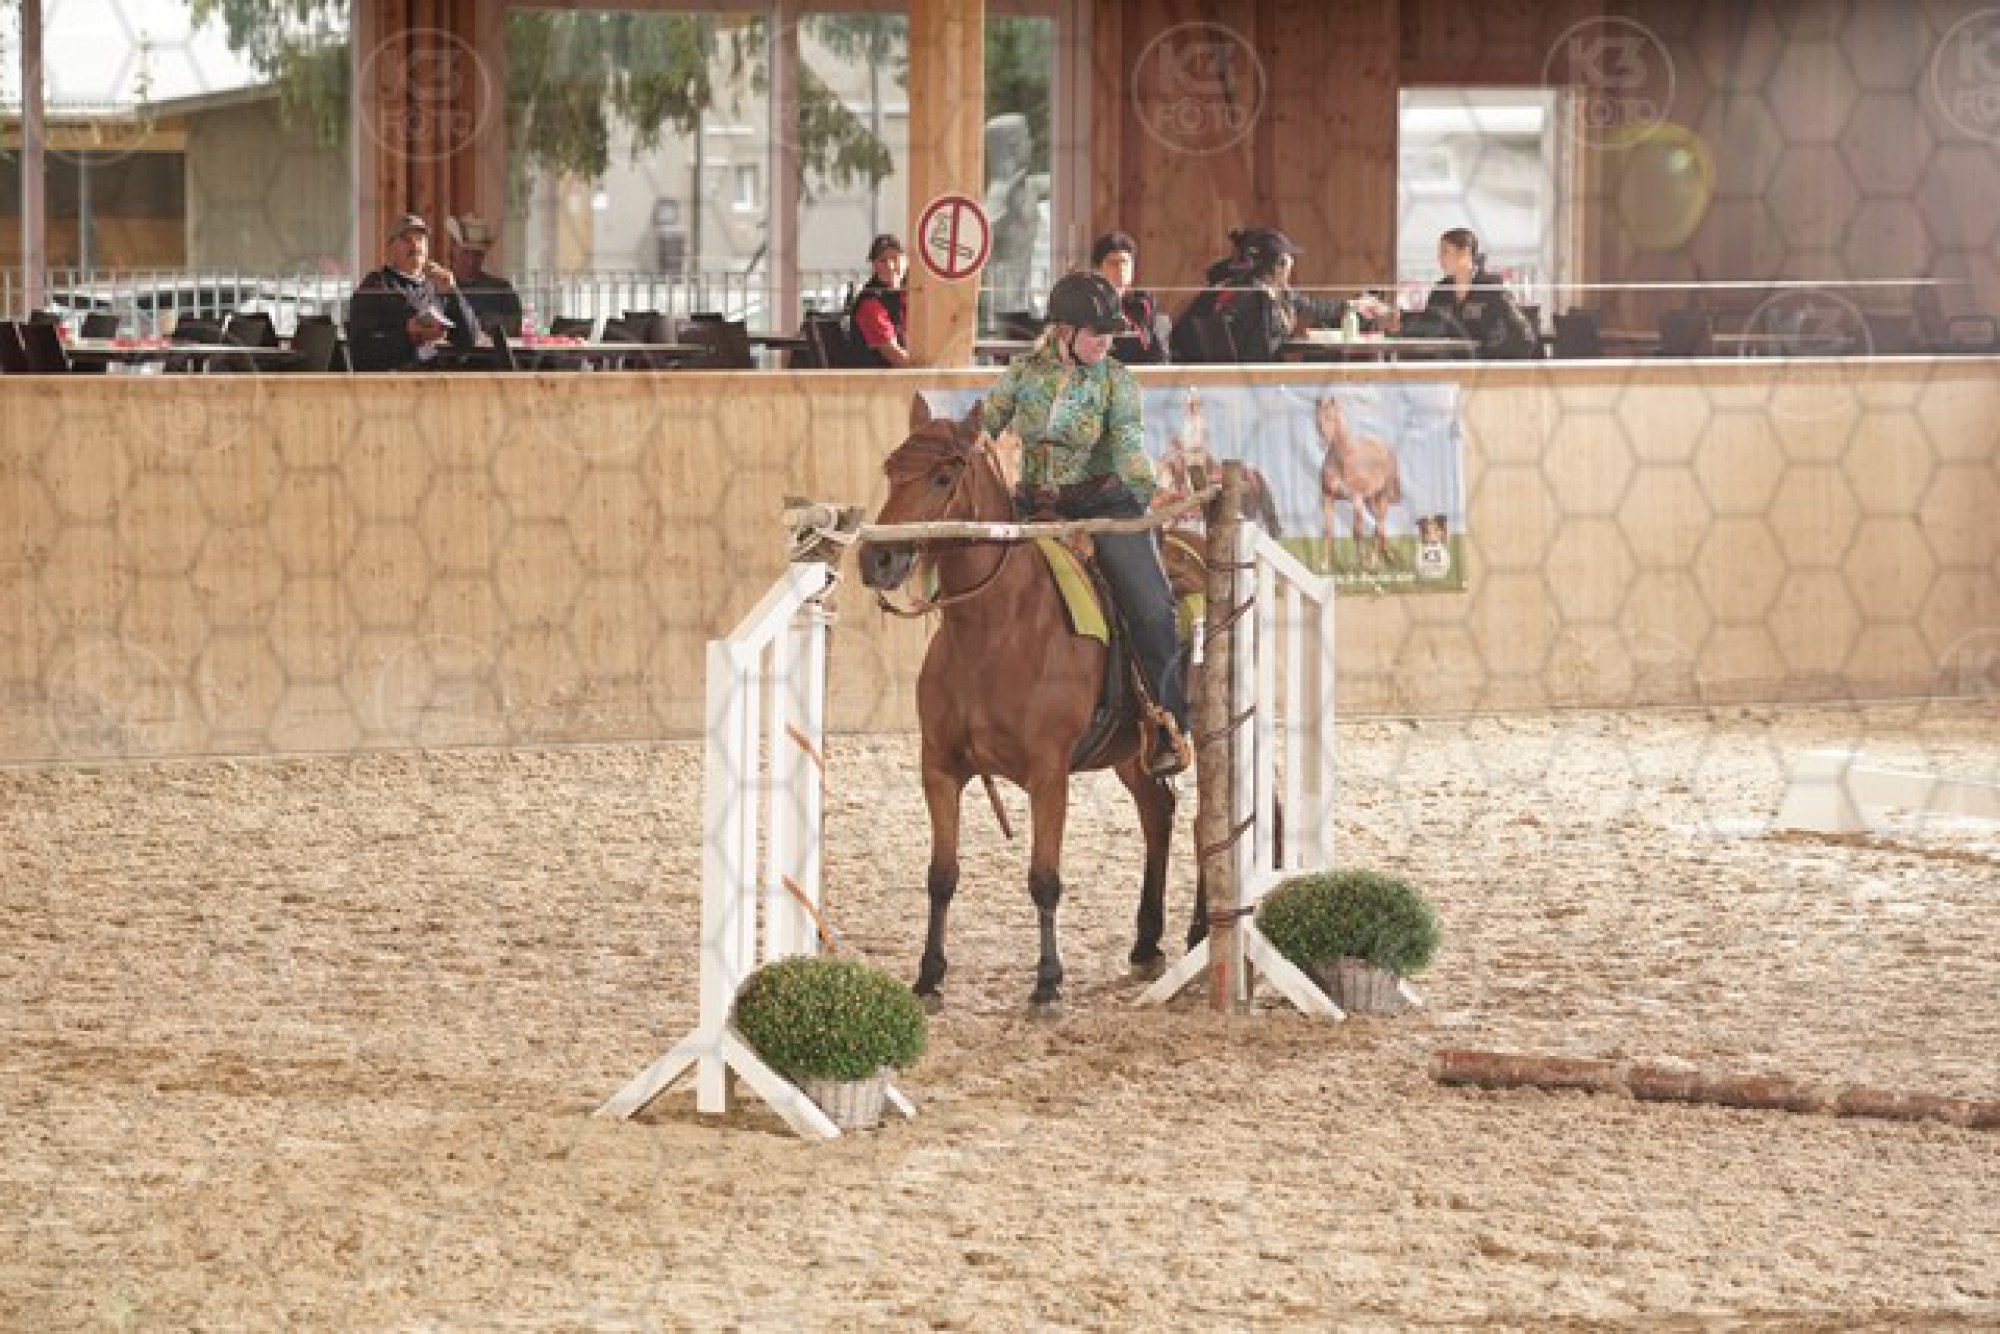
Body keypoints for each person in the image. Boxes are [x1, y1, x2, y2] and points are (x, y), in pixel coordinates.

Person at [981, 271, 1191, 778]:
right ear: (1063, 331)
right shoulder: (1021, 374)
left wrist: (1146, 491)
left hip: (1105, 508)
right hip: (1033, 510)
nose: (1106, 342)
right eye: (1098, 332)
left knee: (1152, 607)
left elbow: (1128, 448)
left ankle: (1167, 721)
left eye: (1111, 333)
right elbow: (985, 426)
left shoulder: (1117, 381)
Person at [1170, 226, 1386, 363]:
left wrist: (1353, 305)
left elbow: (1312, 307)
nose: (1292, 265)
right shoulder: (1253, 296)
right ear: (1278, 266)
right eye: (1289, 260)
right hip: (1251, 380)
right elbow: (1258, 351)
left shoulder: (1278, 294)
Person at [348, 213, 479, 371]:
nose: (415, 244)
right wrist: (408, 336)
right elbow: (361, 352)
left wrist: (453, 292)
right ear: (390, 247)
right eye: (406, 239)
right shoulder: (376, 286)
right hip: (399, 380)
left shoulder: (438, 285)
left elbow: (469, 339)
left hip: (442, 377)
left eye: (420, 239)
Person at [1414, 227, 1540, 359]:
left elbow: (1524, 337)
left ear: (1465, 252)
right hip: (1447, 365)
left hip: (1486, 366)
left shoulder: (1491, 289)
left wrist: (1487, 356)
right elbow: (1426, 331)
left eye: (1445, 251)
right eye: (1440, 252)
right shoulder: (1440, 291)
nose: (1440, 258)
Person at [1092, 230, 1170, 365]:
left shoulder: (1143, 305)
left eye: (1125, 262)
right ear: (1099, 269)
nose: (1121, 269)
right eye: (1113, 263)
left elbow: (1159, 356)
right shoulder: (1089, 304)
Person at [446, 213, 524, 337]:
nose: (471, 261)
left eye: (477, 254)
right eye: (465, 252)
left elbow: (515, 329)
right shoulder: (439, 286)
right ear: (454, 249)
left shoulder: (501, 289)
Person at [844, 233, 912, 368]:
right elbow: (895, 356)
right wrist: (932, 373)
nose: (890, 266)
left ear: (906, 261)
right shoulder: (870, 303)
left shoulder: (908, 294)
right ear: (874, 266)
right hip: (878, 378)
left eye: (895, 259)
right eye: (882, 261)